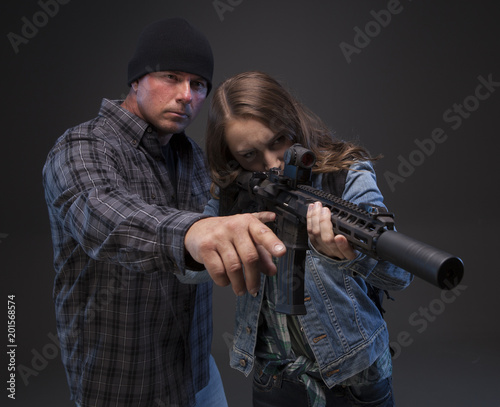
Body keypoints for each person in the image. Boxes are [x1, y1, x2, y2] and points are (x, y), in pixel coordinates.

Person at [42, 21, 285, 407]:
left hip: (195, 375)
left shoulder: (195, 159)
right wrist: (193, 232)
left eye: (198, 84)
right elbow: (105, 217)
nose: (185, 95)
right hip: (123, 385)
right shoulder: (81, 148)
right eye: (170, 77)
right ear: (136, 79)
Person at [201, 71, 413, 407]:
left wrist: (350, 256)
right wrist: (222, 234)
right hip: (273, 376)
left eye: (278, 142)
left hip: (353, 375)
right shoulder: (233, 196)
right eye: (249, 155)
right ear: (231, 157)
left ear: (293, 123)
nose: (271, 164)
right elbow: (188, 264)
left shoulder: (346, 175)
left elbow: (399, 276)